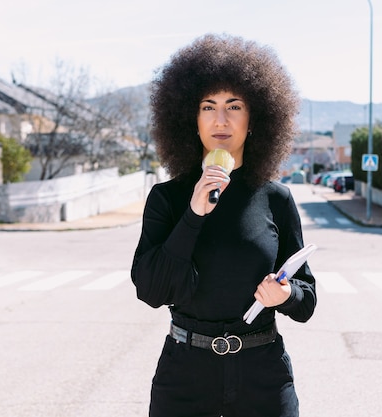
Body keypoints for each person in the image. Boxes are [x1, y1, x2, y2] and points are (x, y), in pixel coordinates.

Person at [131, 33, 317, 417]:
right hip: (185, 375)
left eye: (234, 106)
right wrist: (193, 215)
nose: (221, 119)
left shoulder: (275, 198)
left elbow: (306, 299)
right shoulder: (167, 198)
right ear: (191, 119)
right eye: (208, 106)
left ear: (255, 119)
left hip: (262, 374)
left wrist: (284, 296)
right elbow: (150, 290)